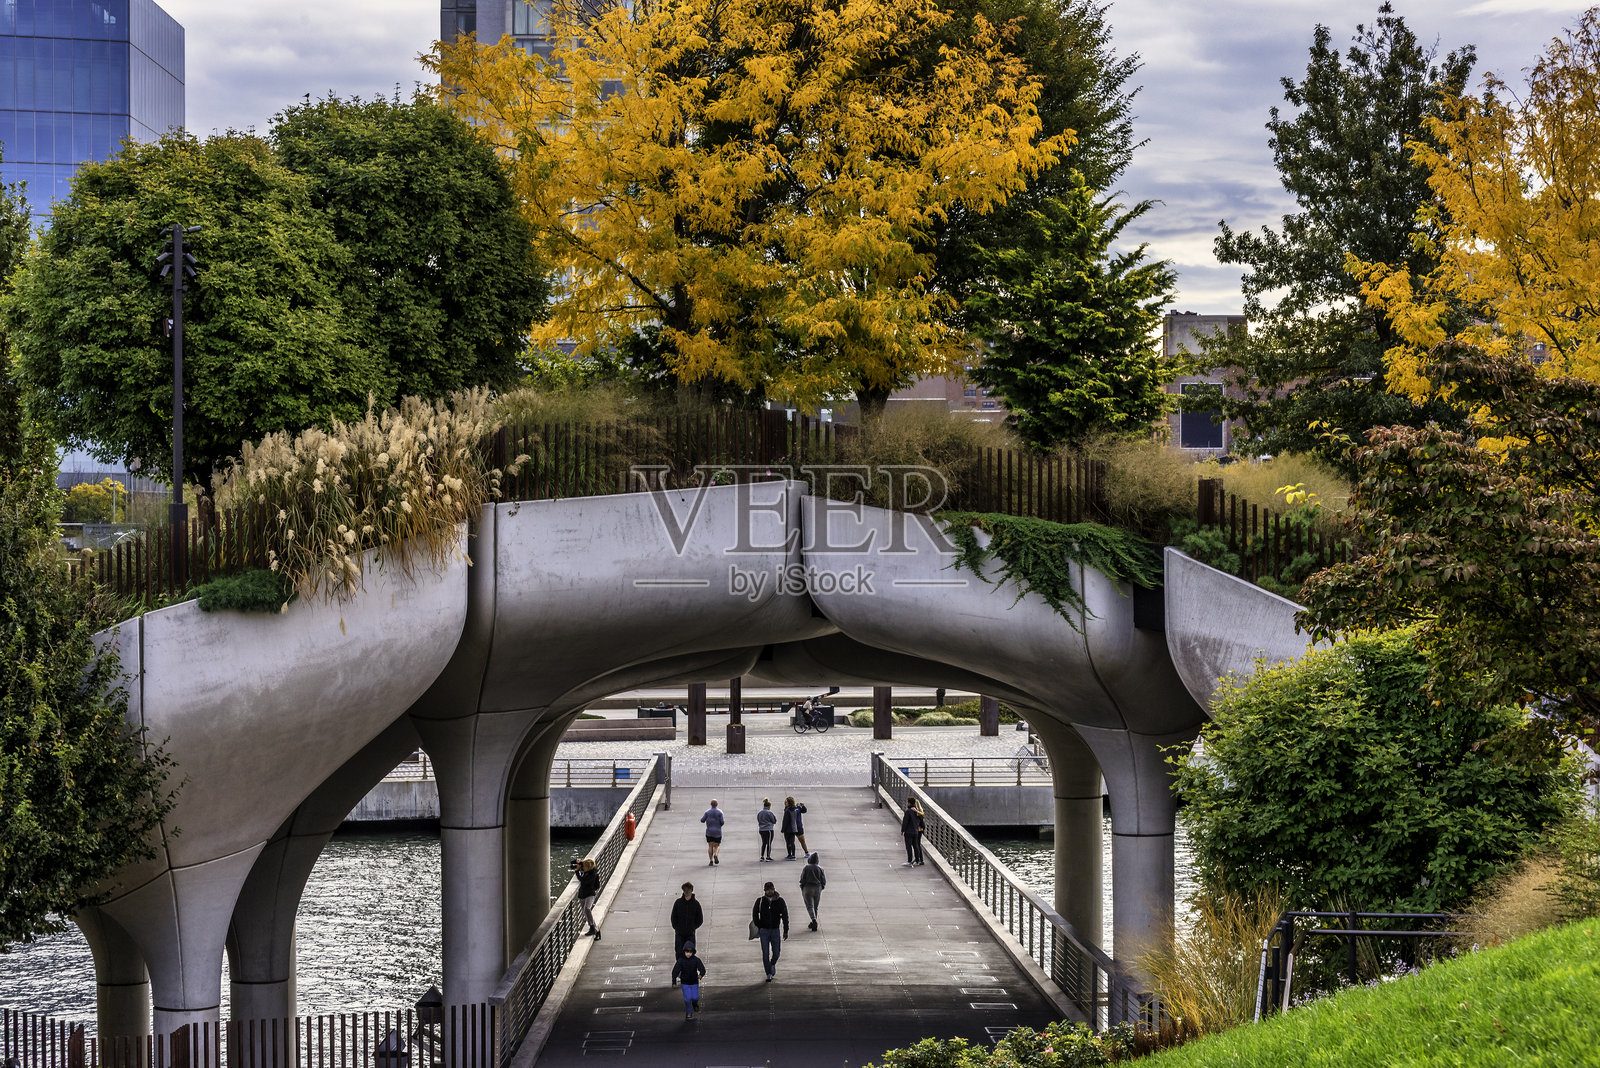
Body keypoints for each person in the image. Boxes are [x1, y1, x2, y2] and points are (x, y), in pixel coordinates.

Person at [751, 880, 789, 981]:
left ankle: (772, 964)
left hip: (775, 930)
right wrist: (759, 925)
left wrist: (786, 930)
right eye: (767, 890)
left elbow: (785, 916)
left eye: (770, 889)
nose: (769, 892)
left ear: (774, 889)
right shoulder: (760, 901)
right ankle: (768, 973)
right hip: (764, 931)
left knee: (776, 952)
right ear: (764, 891)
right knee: (765, 953)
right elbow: (755, 914)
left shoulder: (780, 901)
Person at [671, 941, 706, 1019]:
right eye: (687, 951)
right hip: (685, 983)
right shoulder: (681, 960)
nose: (688, 953)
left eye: (690, 952)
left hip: (694, 982)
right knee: (687, 999)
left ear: (693, 952)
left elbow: (702, 969)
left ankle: (695, 1004)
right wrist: (674, 982)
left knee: (695, 997)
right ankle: (689, 1013)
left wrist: (701, 975)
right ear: (684, 951)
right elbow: (675, 971)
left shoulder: (696, 960)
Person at [670, 882, 703, 963]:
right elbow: (673, 916)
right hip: (679, 933)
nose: (686, 892)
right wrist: (677, 928)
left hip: (690, 933)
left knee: (690, 952)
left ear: (691, 891)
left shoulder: (695, 904)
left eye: (688, 890)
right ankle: (680, 969)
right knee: (679, 951)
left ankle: (689, 969)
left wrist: (692, 927)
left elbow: (700, 919)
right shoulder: (678, 903)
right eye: (685, 890)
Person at [576, 857, 603, 939]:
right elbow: (583, 876)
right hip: (582, 894)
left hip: (590, 894)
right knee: (586, 913)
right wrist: (579, 863)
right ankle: (596, 931)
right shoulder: (586, 871)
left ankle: (592, 927)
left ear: (588, 867)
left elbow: (583, 880)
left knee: (587, 909)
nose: (582, 868)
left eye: (584, 866)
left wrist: (577, 871)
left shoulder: (593, 874)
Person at [799, 852, 826, 931]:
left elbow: (802, 878)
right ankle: (814, 921)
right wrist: (822, 887)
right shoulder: (820, 868)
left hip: (807, 887)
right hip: (817, 888)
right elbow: (823, 880)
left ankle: (813, 920)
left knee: (809, 906)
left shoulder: (806, 867)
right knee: (815, 906)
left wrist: (802, 886)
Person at [901, 798, 925, 866]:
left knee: (909, 846)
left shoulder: (908, 811)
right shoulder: (917, 812)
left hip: (909, 831)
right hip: (916, 831)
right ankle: (917, 859)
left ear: (909, 803)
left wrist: (903, 830)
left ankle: (909, 860)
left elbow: (905, 822)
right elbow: (921, 818)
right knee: (916, 846)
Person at [700, 799, 725, 865]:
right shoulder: (720, 812)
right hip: (717, 831)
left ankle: (711, 860)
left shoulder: (707, 812)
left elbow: (702, 820)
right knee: (717, 845)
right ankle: (716, 854)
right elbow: (722, 822)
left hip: (709, 831)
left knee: (710, 845)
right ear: (717, 804)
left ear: (711, 804)